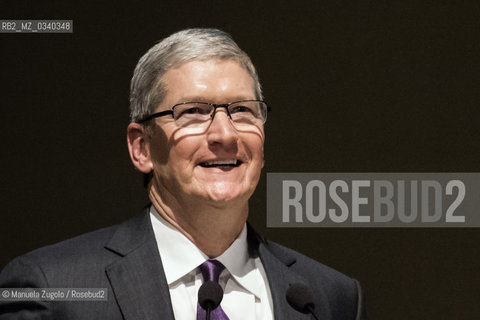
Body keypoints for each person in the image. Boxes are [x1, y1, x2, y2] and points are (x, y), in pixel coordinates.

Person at [0, 28, 366, 320]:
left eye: (241, 110)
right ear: (141, 147)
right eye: (193, 112)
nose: (225, 134)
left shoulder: (328, 298)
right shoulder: (52, 289)